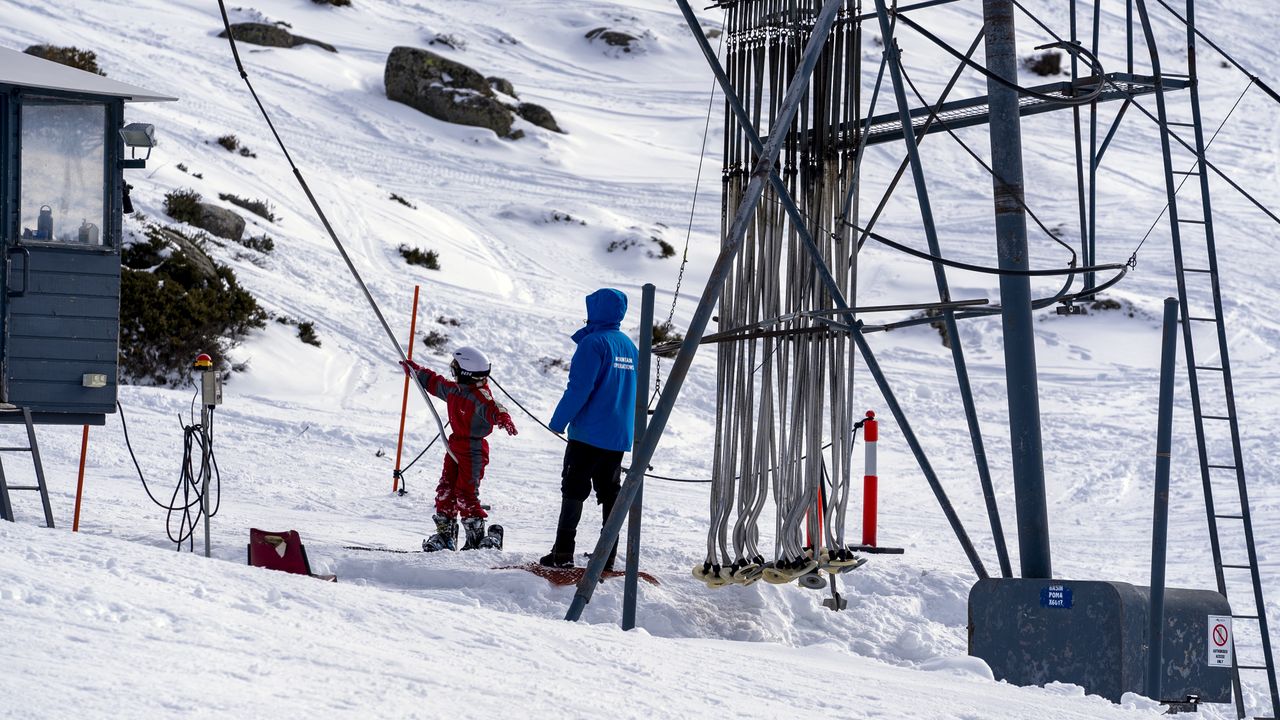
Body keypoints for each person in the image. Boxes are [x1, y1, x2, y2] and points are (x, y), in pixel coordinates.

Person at [540, 288, 638, 569]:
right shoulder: (629, 346)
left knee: (573, 488)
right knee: (610, 493)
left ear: (595, 310)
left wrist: (559, 421)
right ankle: (607, 555)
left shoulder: (593, 343)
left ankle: (562, 553)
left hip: (588, 433)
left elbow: (580, 388)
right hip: (617, 435)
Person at [400, 346, 518, 552]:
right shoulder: (455, 390)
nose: (452, 372)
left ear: (465, 372)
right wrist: (416, 372)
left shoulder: (479, 396)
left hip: (473, 450)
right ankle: (446, 536)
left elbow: (493, 407)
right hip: (455, 445)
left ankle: (475, 538)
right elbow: (435, 383)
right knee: (445, 488)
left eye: (455, 368)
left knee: (465, 492)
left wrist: (502, 417)